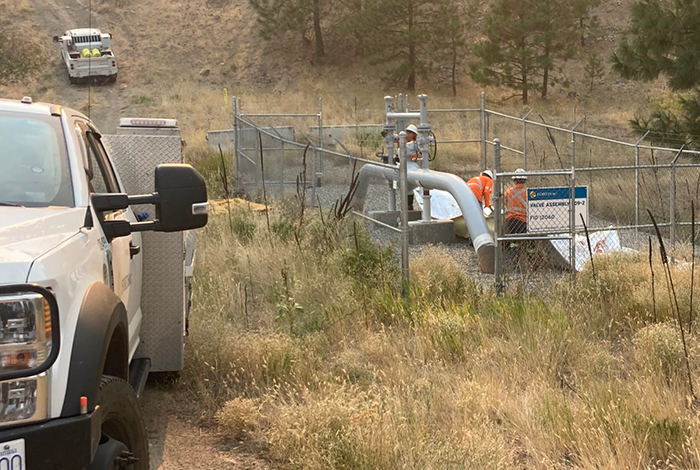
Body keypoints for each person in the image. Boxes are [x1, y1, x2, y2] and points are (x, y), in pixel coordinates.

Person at [505, 168, 527, 234]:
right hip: (524, 221)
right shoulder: (528, 192)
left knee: (513, 240)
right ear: (524, 180)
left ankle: (513, 243)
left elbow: (507, 204)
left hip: (511, 221)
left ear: (514, 180)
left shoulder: (509, 192)